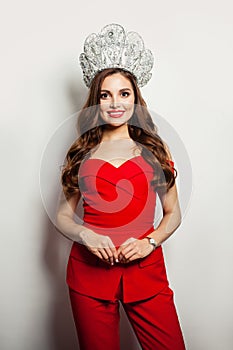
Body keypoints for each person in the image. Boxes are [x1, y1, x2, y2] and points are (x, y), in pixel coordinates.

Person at [56, 24, 186, 350]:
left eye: (124, 93)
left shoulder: (155, 150)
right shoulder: (81, 152)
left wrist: (150, 242)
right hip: (89, 278)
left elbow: (173, 213)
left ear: (135, 98)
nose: (115, 103)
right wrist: (85, 234)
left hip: (147, 273)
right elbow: (63, 216)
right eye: (106, 94)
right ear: (96, 100)